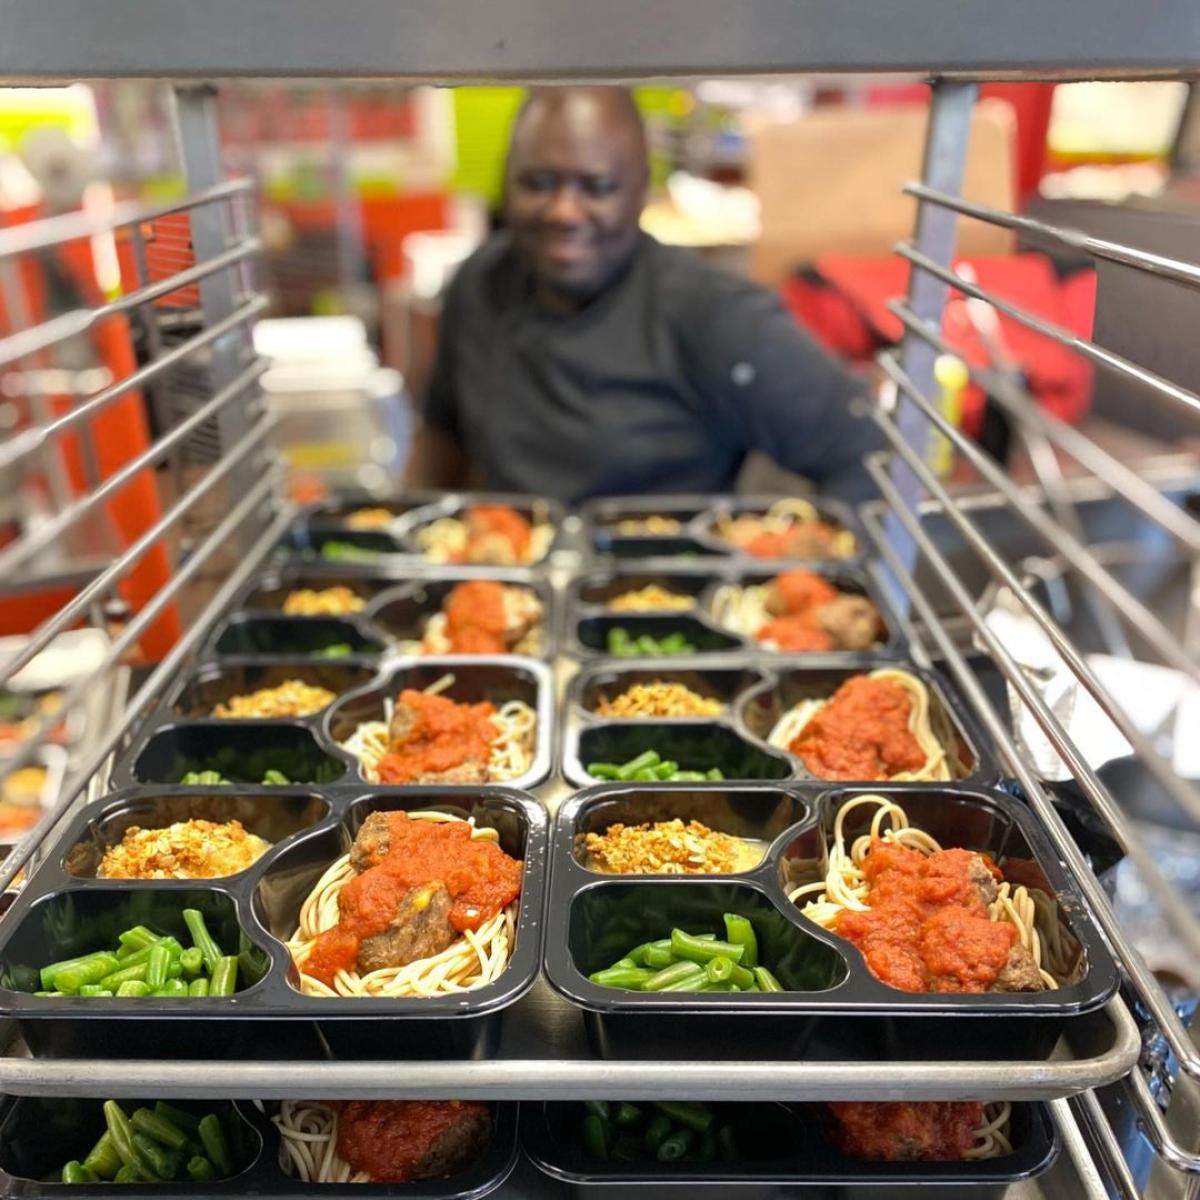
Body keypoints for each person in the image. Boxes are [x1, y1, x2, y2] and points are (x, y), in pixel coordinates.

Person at [406, 86, 880, 504]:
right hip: (514, 590)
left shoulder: (715, 316)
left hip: (665, 587)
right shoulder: (480, 284)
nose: (564, 212)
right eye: (539, 183)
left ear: (640, 193)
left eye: (597, 187)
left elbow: (865, 455)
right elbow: (441, 438)